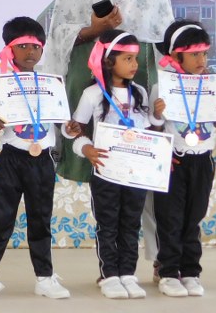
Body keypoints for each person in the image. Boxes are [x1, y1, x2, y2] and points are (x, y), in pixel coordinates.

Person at [42, 0, 173, 184]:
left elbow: (164, 33)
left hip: (137, 61)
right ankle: (90, 177)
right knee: (87, 117)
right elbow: (60, 30)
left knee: (137, 134)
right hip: (89, 58)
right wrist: (95, 28)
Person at [0, 17, 69, 300]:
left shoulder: (50, 83)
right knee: (1, 217)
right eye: (23, 46)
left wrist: (71, 129)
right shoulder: (3, 84)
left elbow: (62, 122)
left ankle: (45, 277)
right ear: (9, 49)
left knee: (41, 220)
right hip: (12, 160)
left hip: (42, 161)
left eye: (36, 46)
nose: (30, 52)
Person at [62, 30, 155, 300]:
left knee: (131, 223)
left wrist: (158, 120)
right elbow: (74, 131)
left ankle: (128, 274)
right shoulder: (92, 94)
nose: (134, 64)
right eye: (127, 59)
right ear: (108, 61)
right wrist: (85, 148)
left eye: (135, 58)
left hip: (134, 173)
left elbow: (148, 131)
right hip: (106, 172)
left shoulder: (140, 93)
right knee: (108, 224)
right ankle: (110, 275)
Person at [150, 21, 216, 298]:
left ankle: (190, 272)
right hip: (174, 161)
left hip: (203, 160)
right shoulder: (163, 86)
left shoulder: (213, 84)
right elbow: (153, 126)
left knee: (193, 218)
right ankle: (168, 272)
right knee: (170, 219)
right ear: (176, 56)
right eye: (194, 54)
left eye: (204, 53)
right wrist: (157, 113)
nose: (202, 60)